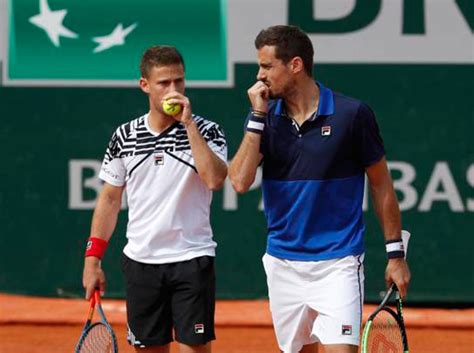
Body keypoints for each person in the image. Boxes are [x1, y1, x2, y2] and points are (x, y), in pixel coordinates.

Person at [229, 25, 411, 353]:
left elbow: (382, 184)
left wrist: (395, 255)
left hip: (338, 262)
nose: (259, 75)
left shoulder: (351, 114)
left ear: (295, 65)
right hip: (283, 263)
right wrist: (257, 115)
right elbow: (240, 182)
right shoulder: (264, 117)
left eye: (267, 66)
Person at [82, 45, 228, 353]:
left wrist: (189, 125)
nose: (173, 90)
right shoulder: (125, 136)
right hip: (142, 263)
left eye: (179, 81)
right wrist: (92, 260)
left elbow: (215, 180)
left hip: (192, 259)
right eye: (164, 83)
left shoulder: (208, 130)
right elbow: (109, 200)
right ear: (145, 85)